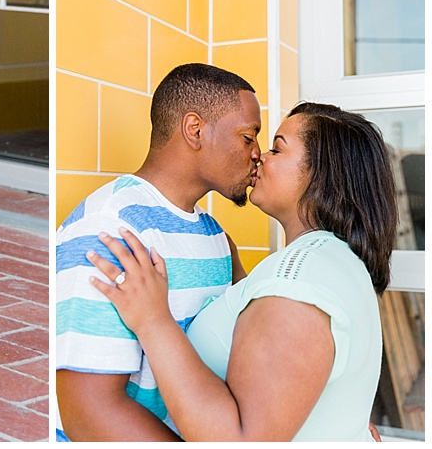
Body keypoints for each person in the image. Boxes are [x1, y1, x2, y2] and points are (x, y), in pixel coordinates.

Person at [89, 102, 396, 441]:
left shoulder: (297, 279)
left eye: (277, 148)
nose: (259, 156)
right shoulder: (332, 261)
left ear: (321, 174)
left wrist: (153, 321)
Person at [54, 63, 262, 441]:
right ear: (195, 130)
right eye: (248, 137)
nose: (257, 154)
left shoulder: (217, 239)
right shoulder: (111, 229)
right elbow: (87, 414)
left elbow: (254, 348)